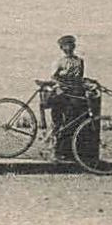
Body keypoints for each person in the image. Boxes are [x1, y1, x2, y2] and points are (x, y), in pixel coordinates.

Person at [44, 34, 89, 163]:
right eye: (65, 46)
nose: (68, 48)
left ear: (73, 46)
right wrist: (63, 84)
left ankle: (70, 151)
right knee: (59, 123)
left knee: (74, 122)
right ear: (62, 48)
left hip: (75, 94)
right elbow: (53, 77)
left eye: (70, 45)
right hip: (62, 93)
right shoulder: (59, 62)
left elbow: (80, 78)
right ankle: (55, 150)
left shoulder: (80, 61)